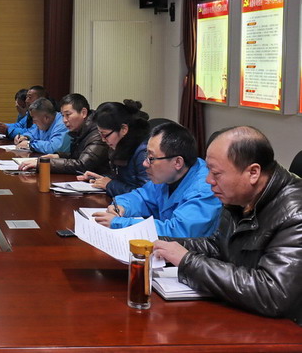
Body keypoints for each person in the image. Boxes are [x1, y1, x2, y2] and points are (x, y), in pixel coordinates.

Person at [154, 127, 302, 325]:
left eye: (216, 173)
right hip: (244, 312)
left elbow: (273, 293)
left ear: (253, 172)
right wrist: (161, 243)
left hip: (285, 329)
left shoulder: (295, 214)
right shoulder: (239, 197)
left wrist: (187, 262)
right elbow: (219, 246)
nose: (208, 180)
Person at [93, 122, 221, 237]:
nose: (145, 163)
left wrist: (119, 223)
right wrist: (122, 207)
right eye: (146, 155)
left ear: (177, 162)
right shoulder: (168, 176)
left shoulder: (205, 188)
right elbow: (141, 197)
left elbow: (177, 231)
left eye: (151, 158)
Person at [21, 93, 110, 175]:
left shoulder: (97, 133)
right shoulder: (80, 129)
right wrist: (58, 156)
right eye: (63, 115)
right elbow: (78, 156)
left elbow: (82, 165)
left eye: (68, 115)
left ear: (83, 113)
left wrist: (45, 163)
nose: (64, 120)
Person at [77, 100, 150, 197]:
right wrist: (102, 179)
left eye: (105, 134)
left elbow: (147, 195)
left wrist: (110, 185)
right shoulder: (121, 145)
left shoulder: (143, 152)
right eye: (100, 134)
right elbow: (122, 179)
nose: (103, 140)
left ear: (124, 129)